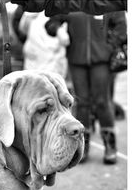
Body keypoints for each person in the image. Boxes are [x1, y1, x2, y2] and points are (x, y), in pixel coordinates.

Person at [46, 11, 127, 164]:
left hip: (102, 60)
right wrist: (59, 31)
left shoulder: (108, 0)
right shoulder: (70, 1)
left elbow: (121, 27)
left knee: (102, 102)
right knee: (82, 103)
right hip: (77, 59)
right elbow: (50, 23)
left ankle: (110, 146)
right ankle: (83, 147)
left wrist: (109, 46)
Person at [17, 11, 70, 78]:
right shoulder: (30, 12)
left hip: (52, 60)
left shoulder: (61, 12)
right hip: (34, 58)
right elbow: (22, 28)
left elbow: (65, 39)